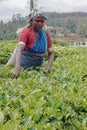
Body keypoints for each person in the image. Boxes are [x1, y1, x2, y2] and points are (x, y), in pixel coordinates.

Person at [8, 11, 54, 79]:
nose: (40, 24)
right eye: (37, 21)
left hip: (38, 68)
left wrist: (48, 66)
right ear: (31, 21)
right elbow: (19, 49)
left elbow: (51, 53)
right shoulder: (26, 33)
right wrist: (17, 68)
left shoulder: (45, 34)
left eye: (42, 21)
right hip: (24, 67)